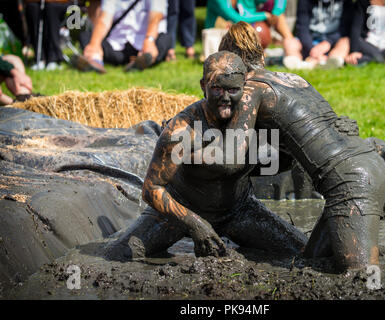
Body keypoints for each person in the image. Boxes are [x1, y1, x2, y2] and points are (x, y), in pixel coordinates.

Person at [219, 21, 385, 271]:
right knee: (312, 262)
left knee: (363, 279)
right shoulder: (293, 78)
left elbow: (231, 156)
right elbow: (291, 157)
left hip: (351, 185)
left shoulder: (250, 90)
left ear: (230, 62)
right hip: (374, 166)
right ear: (262, 54)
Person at [103, 51, 308, 261]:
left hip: (238, 209)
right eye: (217, 89)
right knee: (116, 256)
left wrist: (284, 150)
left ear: (245, 87)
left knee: (304, 251)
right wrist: (195, 224)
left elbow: (272, 165)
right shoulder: (183, 129)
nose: (225, 98)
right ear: (203, 86)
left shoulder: (255, 118)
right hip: (181, 208)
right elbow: (151, 189)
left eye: (233, 90)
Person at [73, 0, 171, 73]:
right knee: (86, 36)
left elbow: (156, 17)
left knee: (165, 39)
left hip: (144, 41)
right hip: (118, 43)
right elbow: (104, 19)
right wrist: (94, 44)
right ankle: (95, 59)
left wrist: (149, 40)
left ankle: (145, 59)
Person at [205, 0, 303, 66]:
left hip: (240, 35)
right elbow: (238, 19)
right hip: (219, 40)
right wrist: (265, 15)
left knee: (277, 15)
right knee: (243, 27)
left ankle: (291, 45)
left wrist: (276, 12)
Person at [294, 0, 354, 69]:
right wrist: (312, 50)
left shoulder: (346, 2)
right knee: (289, 43)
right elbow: (302, 28)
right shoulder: (304, 1)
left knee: (345, 42)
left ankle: (332, 61)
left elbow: (345, 28)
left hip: (334, 42)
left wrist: (328, 42)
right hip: (310, 42)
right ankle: (296, 62)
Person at [25, 0, 70, 70]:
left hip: (59, 3)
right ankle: (39, 58)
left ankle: (53, 58)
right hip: (38, 3)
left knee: (52, 8)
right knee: (32, 7)